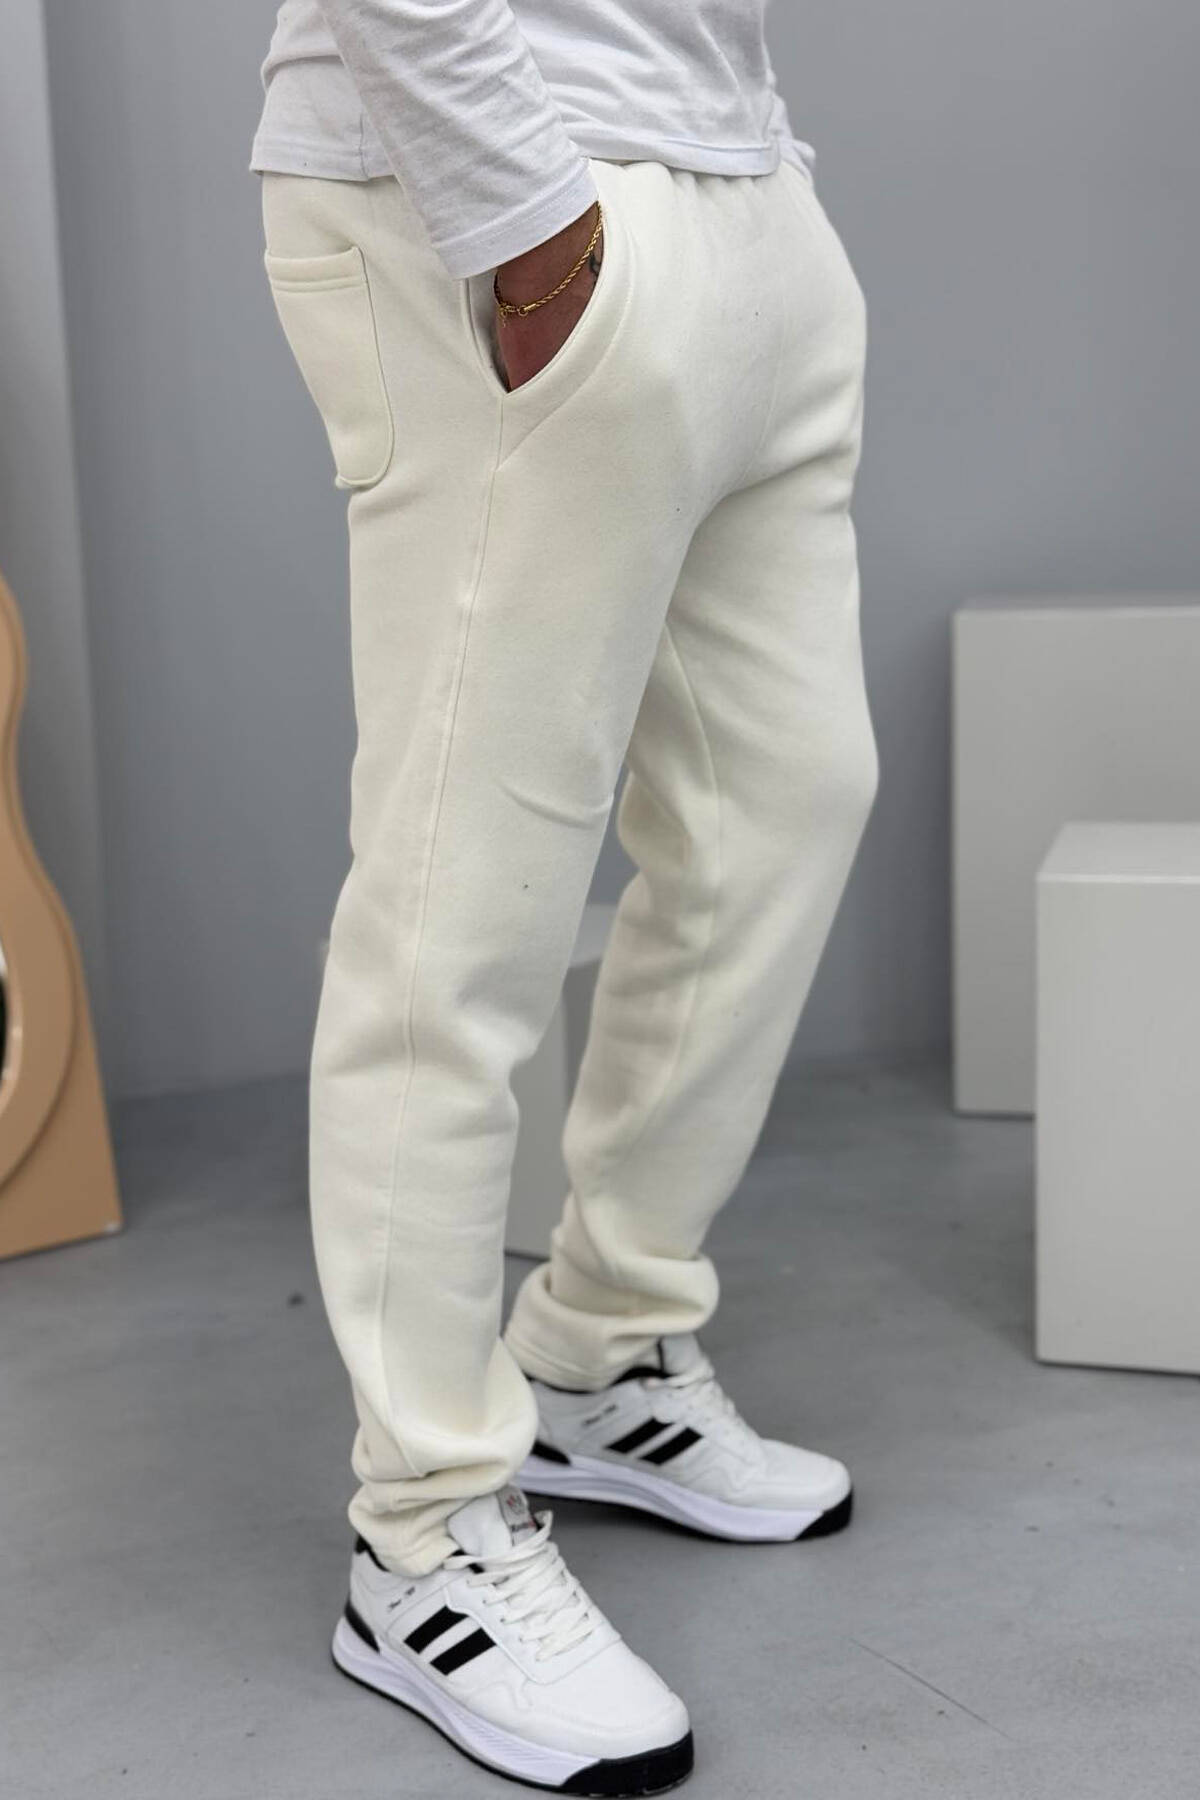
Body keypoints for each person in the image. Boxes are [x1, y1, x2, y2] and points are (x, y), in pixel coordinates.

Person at [251, 1, 878, 1790]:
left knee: (783, 806)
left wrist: (755, 198)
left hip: (734, 175)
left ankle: (604, 1349)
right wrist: (528, 223)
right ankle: (425, 1527)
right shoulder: (523, 217)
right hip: (507, 195)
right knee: (464, 907)